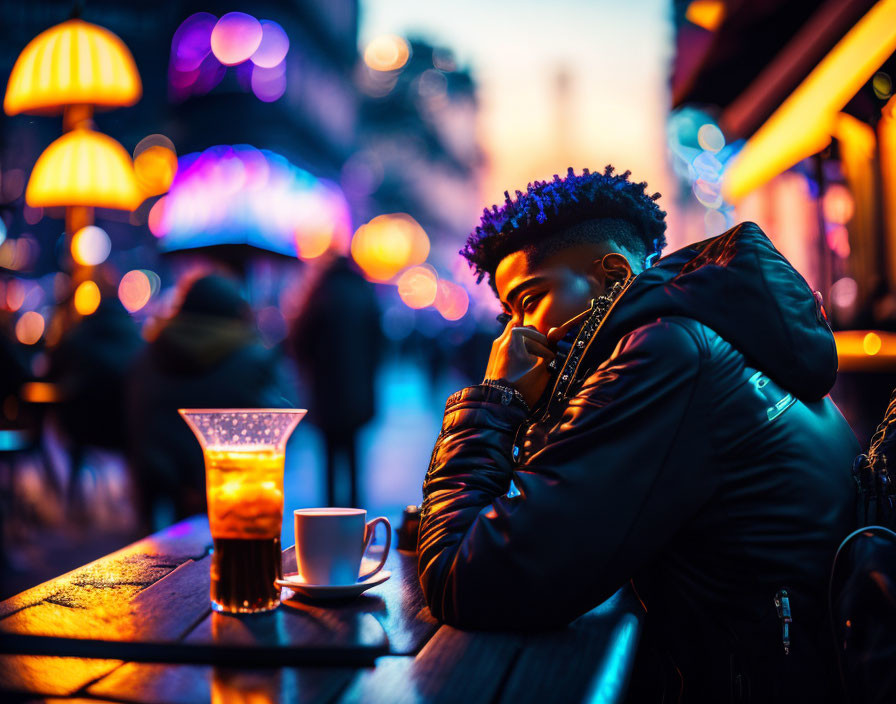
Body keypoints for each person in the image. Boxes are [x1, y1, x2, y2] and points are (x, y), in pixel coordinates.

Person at [417, 167, 858, 702]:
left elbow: (462, 577)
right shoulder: (701, 331)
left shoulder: (664, 355)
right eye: (508, 315)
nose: (516, 334)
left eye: (529, 300)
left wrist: (494, 401)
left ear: (611, 274)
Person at [126, 274, 286, 531]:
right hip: (226, 487)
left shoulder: (148, 354)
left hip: (157, 473)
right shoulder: (251, 356)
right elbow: (278, 419)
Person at [289, 255, 383, 508]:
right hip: (358, 391)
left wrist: (311, 368)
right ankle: (355, 515)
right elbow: (380, 343)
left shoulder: (320, 294)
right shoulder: (364, 293)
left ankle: (330, 514)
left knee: (329, 457)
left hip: (326, 389)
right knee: (353, 454)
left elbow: (298, 340)